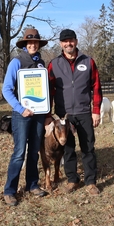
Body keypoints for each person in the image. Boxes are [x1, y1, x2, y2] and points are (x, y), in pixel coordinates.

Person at [47, 28, 103, 196]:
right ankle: (72, 180)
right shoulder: (54, 64)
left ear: (76, 41)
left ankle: (91, 182)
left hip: (84, 111)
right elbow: (49, 90)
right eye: (65, 41)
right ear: (60, 44)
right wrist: (48, 114)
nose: (68, 43)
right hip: (64, 115)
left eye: (71, 40)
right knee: (69, 149)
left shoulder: (88, 61)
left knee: (88, 147)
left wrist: (96, 110)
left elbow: (96, 87)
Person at [1, 28, 50, 206]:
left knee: (34, 151)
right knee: (19, 152)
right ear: (24, 44)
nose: (33, 45)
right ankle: (10, 190)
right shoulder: (16, 62)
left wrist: (45, 112)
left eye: (35, 42)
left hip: (38, 114)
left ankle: (32, 184)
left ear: (39, 44)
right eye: (29, 42)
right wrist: (21, 109)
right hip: (22, 115)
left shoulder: (41, 63)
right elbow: (6, 89)